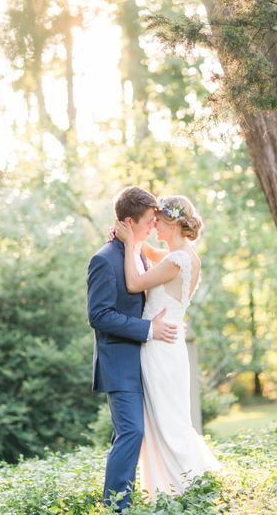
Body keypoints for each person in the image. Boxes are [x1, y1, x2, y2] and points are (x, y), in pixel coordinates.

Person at [115, 194, 221, 501]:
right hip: (168, 344)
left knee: (166, 419)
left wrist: (124, 246)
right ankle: (175, 487)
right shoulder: (183, 255)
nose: (153, 225)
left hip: (159, 347)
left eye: (157, 220)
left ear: (172, 222)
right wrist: (129, 236)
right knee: (168, 416)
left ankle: (185, 487)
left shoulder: (176, 260)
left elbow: (135, 284)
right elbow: (147, 248)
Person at [87, 186, 179, 512]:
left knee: (133, 434)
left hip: (144, 361)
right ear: (129, 221)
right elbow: (98, 316)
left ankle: (122, 500)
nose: (153, 226)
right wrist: (149, 329)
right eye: (149, 221)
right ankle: (116, 507)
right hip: (120, 363)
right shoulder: (103, 260)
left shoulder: (136, 251)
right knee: (131, 433)